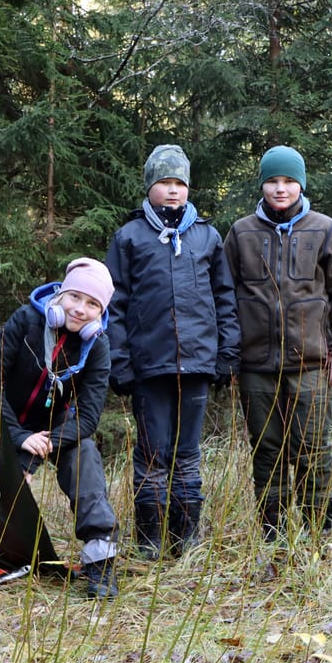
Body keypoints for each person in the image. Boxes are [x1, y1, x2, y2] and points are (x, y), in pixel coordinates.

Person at [104, 144, 240, 560]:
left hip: (197, 364)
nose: (173, 190)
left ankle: (187, 539)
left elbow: (225, 299)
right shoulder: (129, 237)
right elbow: (114, 304)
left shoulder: (207, 236)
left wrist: (226, 353)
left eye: (179, 182)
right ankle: (149, 540)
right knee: (151, 454)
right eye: (164, 182)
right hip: (149, 367)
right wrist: (120, 362)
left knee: (187, 456)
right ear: (150, 187)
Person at [224, 146, 332, 542]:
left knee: (312, 450)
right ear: (262, 184)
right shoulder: (242, 232)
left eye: (288, 181)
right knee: (266, 451)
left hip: (311, 364)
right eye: (272, 180)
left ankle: (318, 533)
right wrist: (232, 360)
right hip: (256, 366)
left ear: (301, 184)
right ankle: (273, 533)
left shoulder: (325, 229)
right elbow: (226, 298)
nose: (280, 188)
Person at [0, 257, 120, 598]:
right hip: (1, 417)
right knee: (1, 485)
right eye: (76, 297)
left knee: (85, 454)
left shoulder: (98, 345)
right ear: (61, 294)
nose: (80, 310)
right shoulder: (27, 320)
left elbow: (87, 418)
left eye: (92, 304)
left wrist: (41, 445)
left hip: (52, 428)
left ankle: (100, 560)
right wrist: (19, 439)